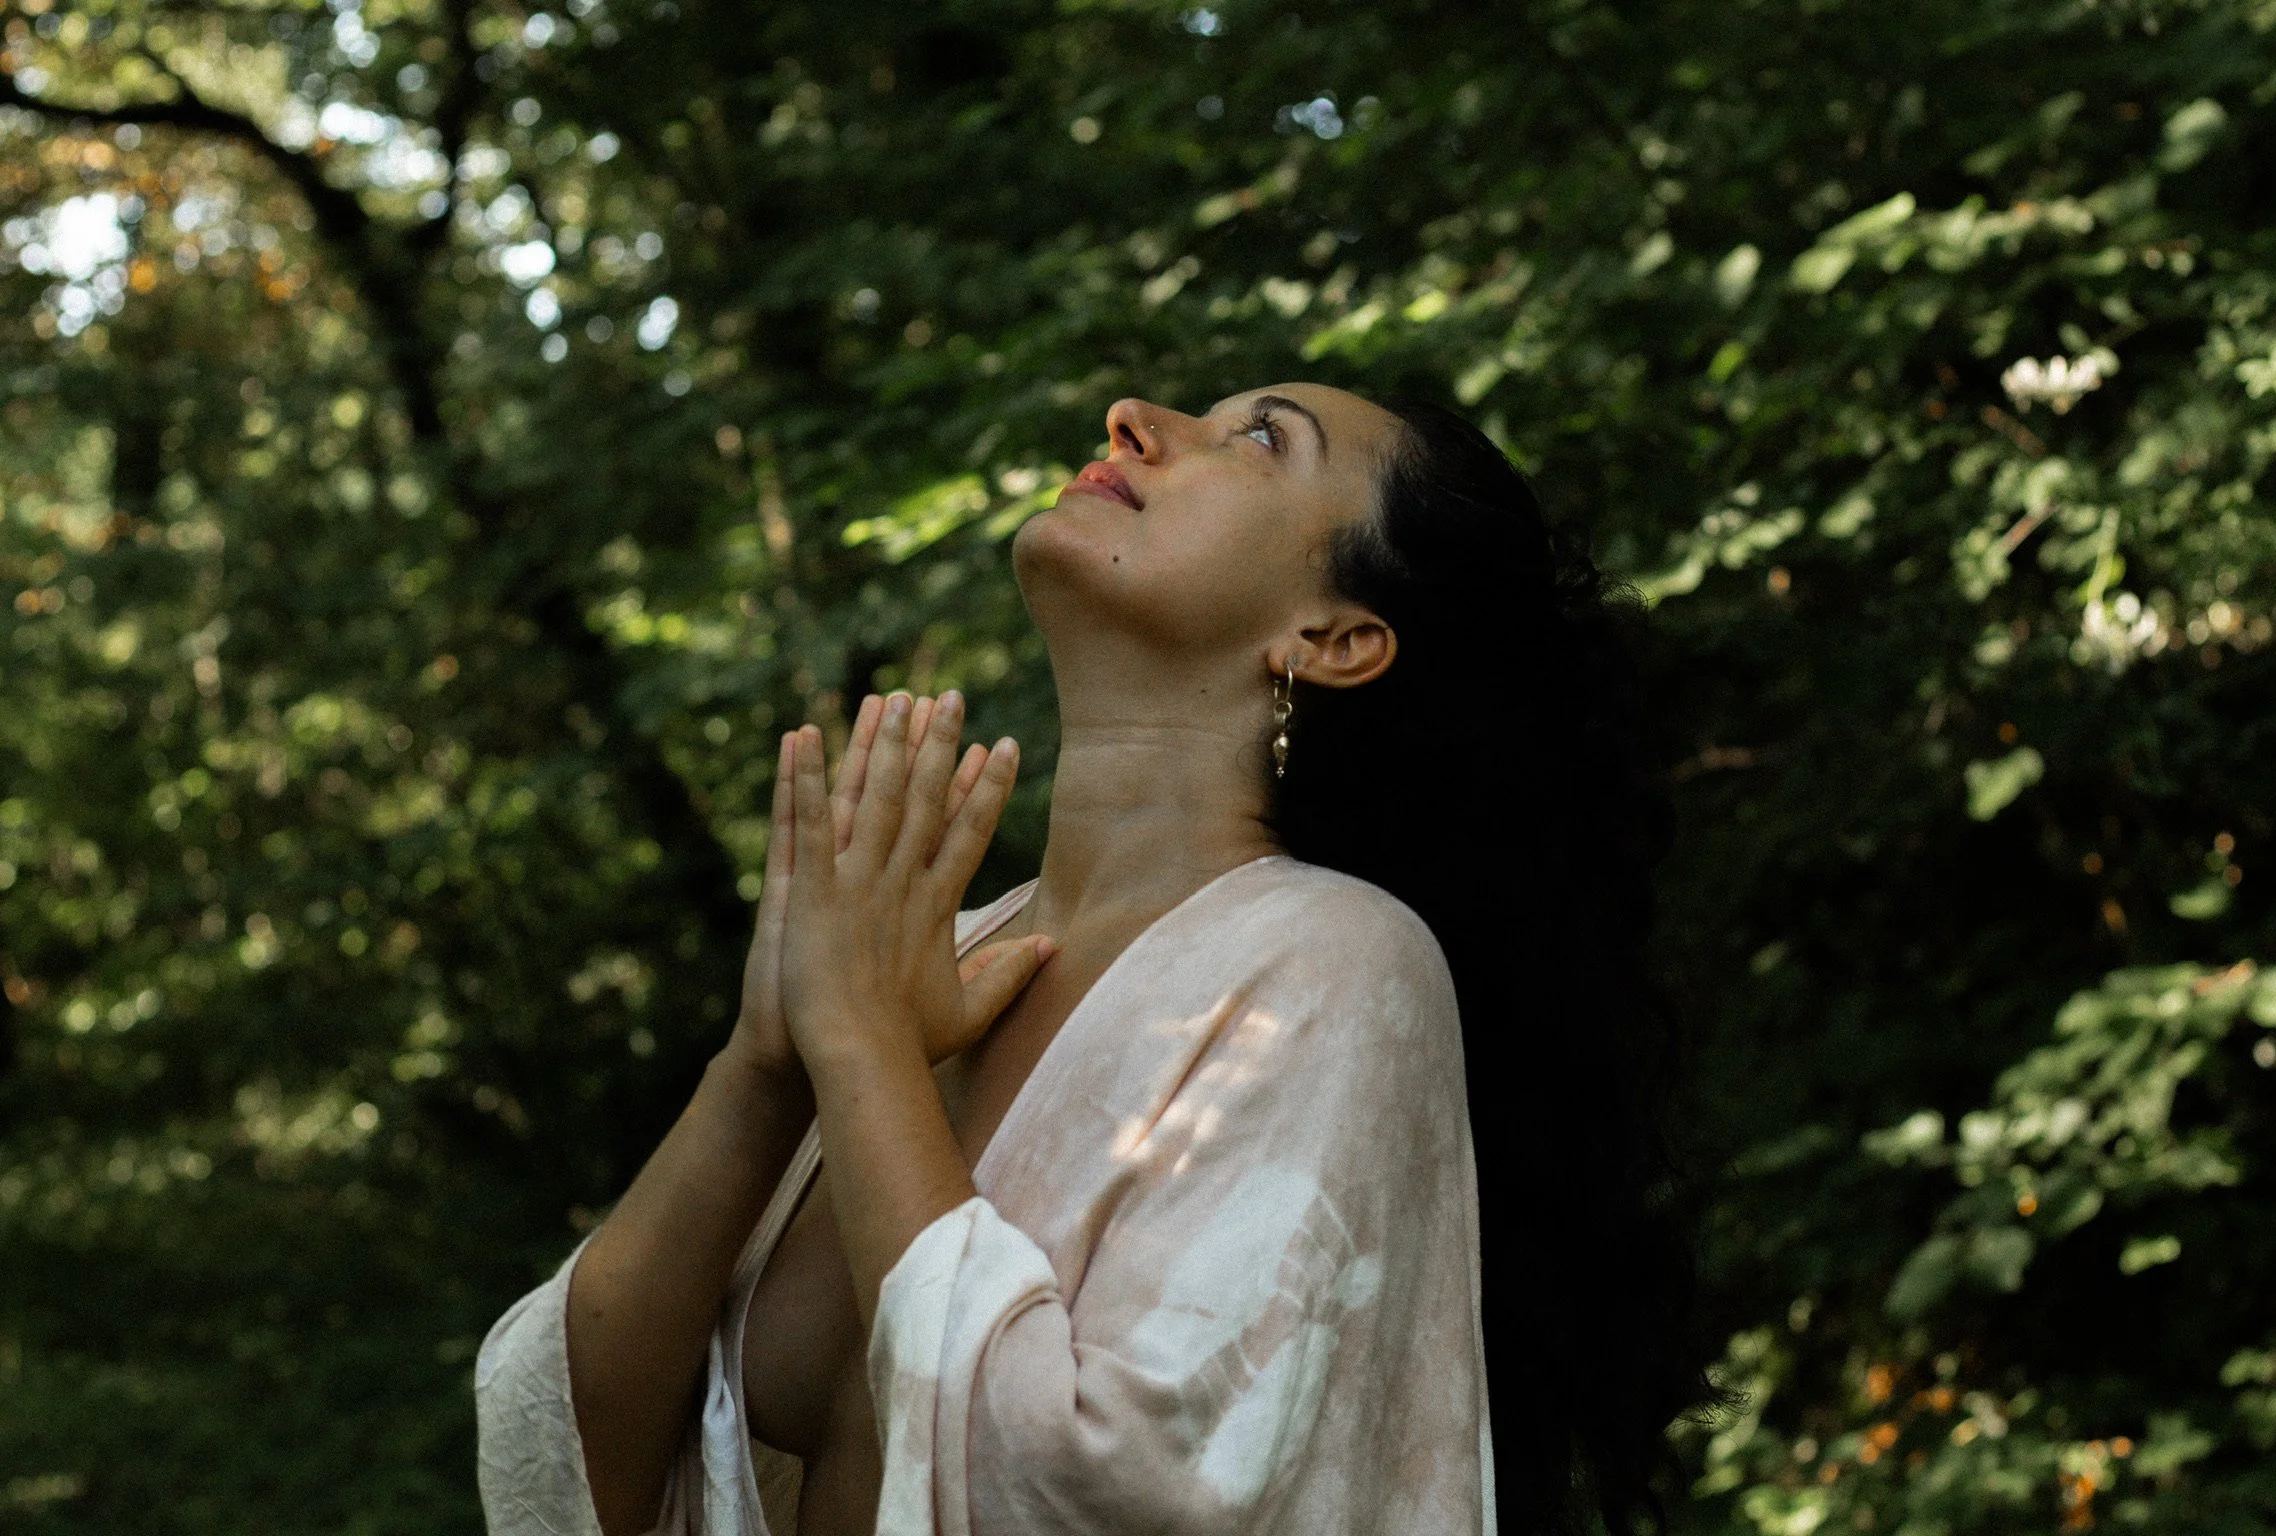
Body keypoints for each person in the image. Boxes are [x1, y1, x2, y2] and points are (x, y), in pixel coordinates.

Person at [475, 385, 1708, 1535]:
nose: (1135, 417)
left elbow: (1105, 1486)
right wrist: (768, 1065)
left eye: (1263, 438)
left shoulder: (1338, 963)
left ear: (1334, 636)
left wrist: (859, 1044)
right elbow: (560, 1468)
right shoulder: (927, 962)